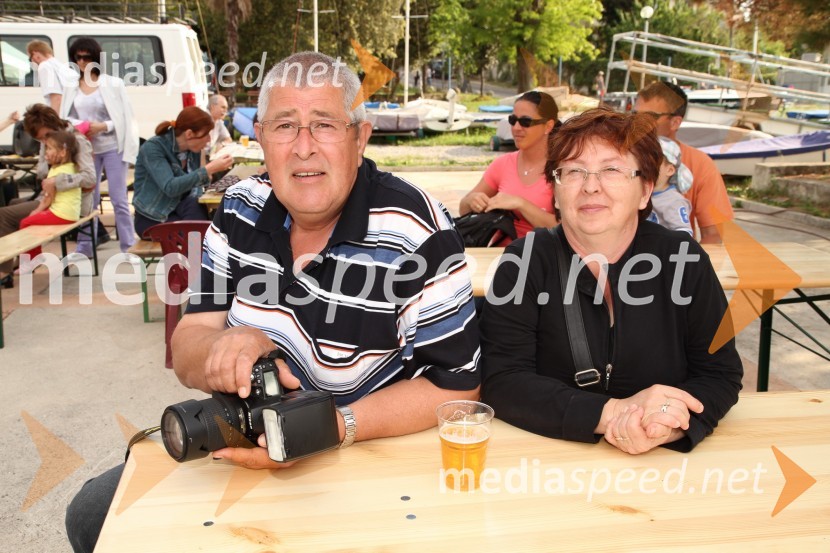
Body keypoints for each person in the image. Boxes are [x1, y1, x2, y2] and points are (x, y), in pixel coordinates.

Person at [65, 51, 481, 553]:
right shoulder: (239, 208)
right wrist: (223, 350)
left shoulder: (417, 229)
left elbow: (457, 390)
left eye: (324, 124)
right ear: (260, 137)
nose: (304, 148)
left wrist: (334, 426)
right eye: (285, 126)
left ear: (360, 138)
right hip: (244, 437)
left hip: (362, 448)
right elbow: (189, 340)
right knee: (91, 514)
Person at [480, 107, 742, 455]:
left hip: (662, 464)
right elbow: (502, 380)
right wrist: (612, 414)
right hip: (549, 459)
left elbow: (719, 374)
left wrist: (666, 424)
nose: (591, 186)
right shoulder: (524, 260)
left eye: (612, 170)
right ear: (554, 191)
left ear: (645, 190)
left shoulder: (684, 258)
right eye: (573, 171)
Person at [61, 37, 140, 260]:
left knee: (119, 198)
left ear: (95, 58)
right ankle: (85, 246)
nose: (82, 61)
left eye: (87, 57)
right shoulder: (71, 86)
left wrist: (103, 126)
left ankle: (128, 245)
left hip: (112, 145)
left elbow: (125, 117)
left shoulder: (113, 83)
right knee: (88, 198)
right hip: (86, 149)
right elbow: (65, 118)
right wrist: (82, 126)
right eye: (78, 57)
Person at [0, 105, 95, 287]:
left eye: (45, 137)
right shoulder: (49, 140)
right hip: (52, 198)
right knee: (13, 203)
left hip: (68, 205)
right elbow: (43, 173)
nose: (43, 142)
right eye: (40, 140)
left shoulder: (76, 140)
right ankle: (20, 259)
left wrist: (57, 180)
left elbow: (90, 178)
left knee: (4, 215)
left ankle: (5, 271)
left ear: (54, 124)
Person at [634, 81, 733, 243]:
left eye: (650, 116)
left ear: (675, 122)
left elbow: (714, 235)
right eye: (634, 114)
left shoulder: (700, 164)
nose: (638, 122)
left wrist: (682, 259)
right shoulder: (617, 155)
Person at [459, 90, 559, 243]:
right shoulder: (502, 164)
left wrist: (521, 204)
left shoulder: (562, 169)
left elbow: (568, 229)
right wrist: (472, 201)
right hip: (499, 255)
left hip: (541, 255)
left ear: (548, 126)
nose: (516, 127)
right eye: (513, 120)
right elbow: (463, 209)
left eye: (525, 121)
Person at [130, 106, 233, 238]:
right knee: (198, 233)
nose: (209, 139)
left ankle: (198, 248)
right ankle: (196, 249)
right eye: (206, 134)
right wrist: (208, 169)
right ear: (189, 134)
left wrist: (206, 167)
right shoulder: (153, 148)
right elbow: (171, 187)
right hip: (154, 217)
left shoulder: (193, 149)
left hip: (181, 209)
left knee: (206, 225)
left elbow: (197, 187)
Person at [17, 131, 81, 273]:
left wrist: (36, 211)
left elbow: (47, 199)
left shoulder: (55, 172)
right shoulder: (72, 167)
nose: (46, 152)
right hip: (71, 213)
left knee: (26, 223)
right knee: (34, 220)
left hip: (62, 214)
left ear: (63, 152)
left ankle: (32, 260)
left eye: (50, 148)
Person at [647, 136, 693, 236]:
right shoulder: (643, 193)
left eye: (654, 162)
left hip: (661, 245)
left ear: (670, 170)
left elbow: (684, 232)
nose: (647, 166)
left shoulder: (674, 201)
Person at [26, 40, 75, 113]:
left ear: (35, 53)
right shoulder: (62, 67)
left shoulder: (44, 66)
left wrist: (54, 119)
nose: (32, 62)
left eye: (30, 58)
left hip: (63, 115)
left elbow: (57, 99)